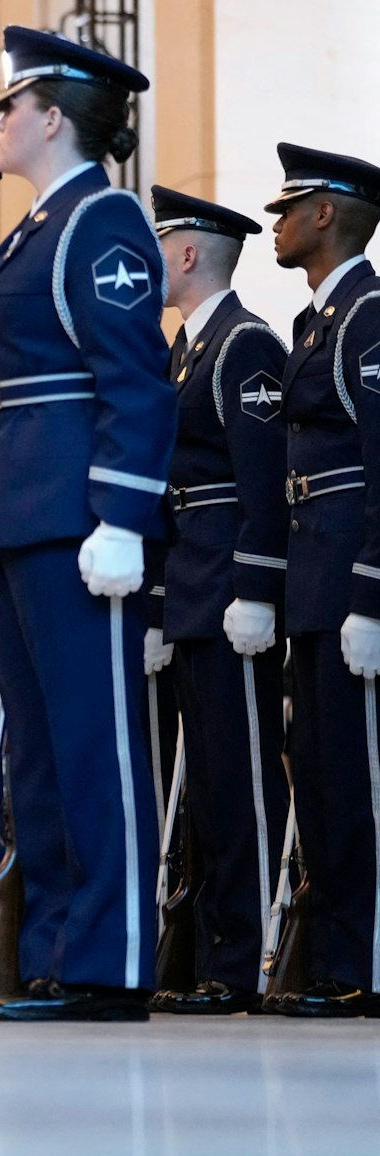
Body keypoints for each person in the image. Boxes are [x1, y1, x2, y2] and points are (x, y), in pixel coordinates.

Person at [0, 28, 171, 1021]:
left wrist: (121, 513)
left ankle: (110, 959)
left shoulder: (101, 223)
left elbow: (134, 382)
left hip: (72, 518)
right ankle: (53, 949)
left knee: (95, 745)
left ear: (50, 117)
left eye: (11, 105)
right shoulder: (35, 229)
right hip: (14, 517)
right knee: (36, 754)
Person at [140, 185, 289, 1014]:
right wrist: (162, 603)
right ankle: (200, 951)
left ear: (190, 253)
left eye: (163, 244)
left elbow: (263, 485)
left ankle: (246, 959)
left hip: (229, 588)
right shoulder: (184, 351)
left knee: (241, 784)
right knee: (199, 789)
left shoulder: (243, 347)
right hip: (191, 590)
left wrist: (257, 585)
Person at [262, 143, 380, 1016]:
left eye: (290, 206)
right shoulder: (320, 322)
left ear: (329, 213)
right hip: (314, 577)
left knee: (357, 777)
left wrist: (370, 590)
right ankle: (336, 958)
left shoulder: (367, 317)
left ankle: (366, 963)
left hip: (347, 581)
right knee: (321, 770)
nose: (278, 220)